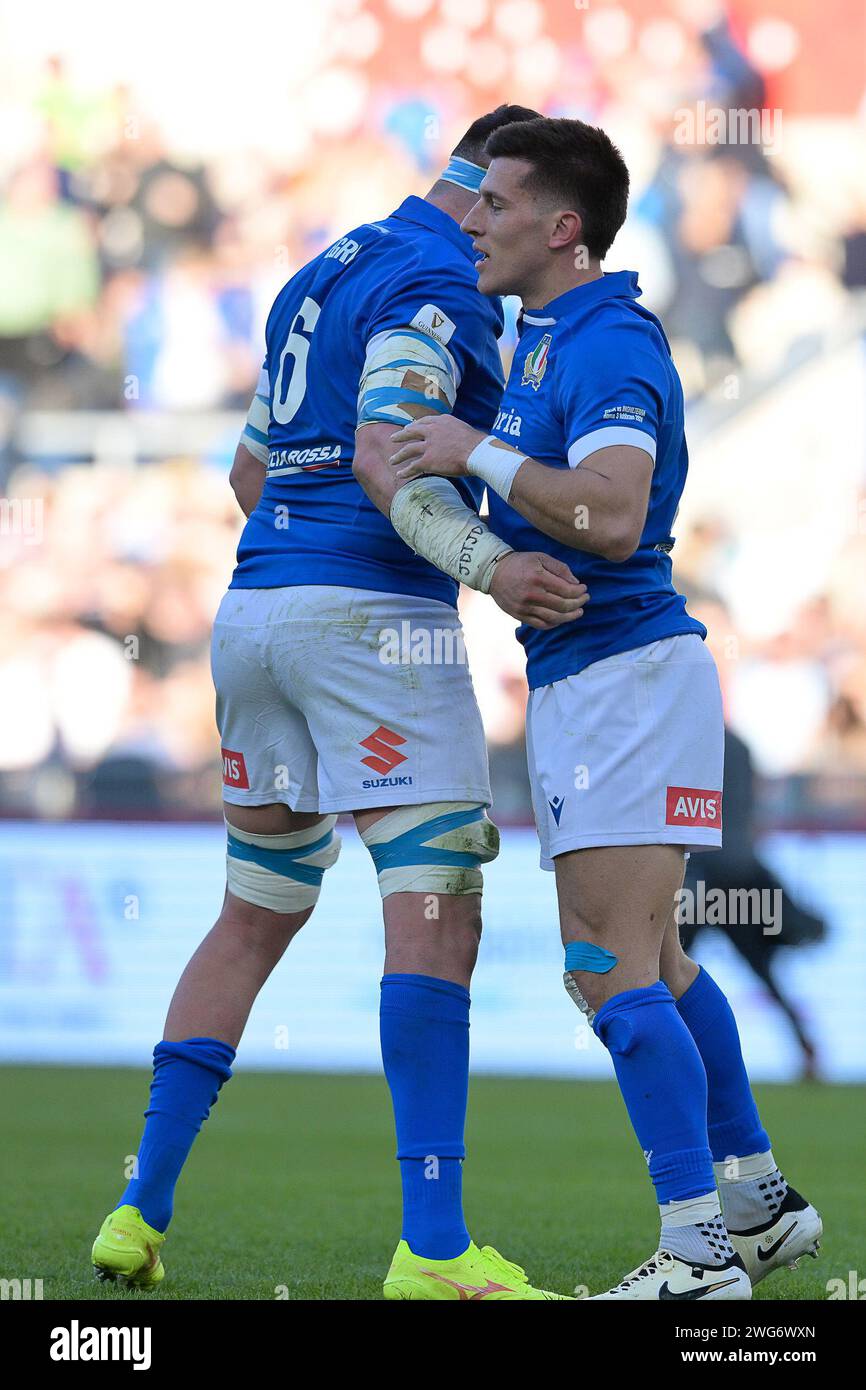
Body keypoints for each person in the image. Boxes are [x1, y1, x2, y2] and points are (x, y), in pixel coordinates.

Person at [88, 105, 588, 1301]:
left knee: (252, 913)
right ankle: (430, 1248)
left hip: (252, 611)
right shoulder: (439, 283)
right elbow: (383, 453)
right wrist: (490, 568)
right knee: (433, 908)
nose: (506, 233)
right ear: (486, 191)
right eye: (509, 203)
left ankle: (137, 1209)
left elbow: (249, 471)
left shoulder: (329, 264)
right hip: (372, 624)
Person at [382, 115, 822, 1300]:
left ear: (560, 228)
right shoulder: (547, 336)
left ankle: (696, 1256)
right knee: (659, 958)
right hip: (612, 679)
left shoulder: (607, 346)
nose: (472, 220)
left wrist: (472, 449)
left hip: (624, 676)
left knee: (599, 962)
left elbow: (614, 516)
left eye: (498, 203)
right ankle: (756, 1204)